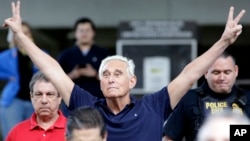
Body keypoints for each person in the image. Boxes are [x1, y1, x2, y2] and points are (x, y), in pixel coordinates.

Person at [3, 1, 245, 141]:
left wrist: (223, 42)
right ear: (99, 83)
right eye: (105, 75)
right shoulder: (88, 106)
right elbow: (53, 70)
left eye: (117, 74)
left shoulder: (154, 105)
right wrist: (22, 38)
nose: (110, 78)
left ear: (132, 80)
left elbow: (189, 74)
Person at [162, 51, 250, 141]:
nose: (222, 78)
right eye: (216, 72)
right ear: (206, 72)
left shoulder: (247, 98)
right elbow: (170, 138)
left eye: (227, 72)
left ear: (236, 71)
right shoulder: (190, 99)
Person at [0, 21, 38, 140]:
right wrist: (8, 76)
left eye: (26, 33)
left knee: (34, 136)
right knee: (13, 136)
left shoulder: (40, 54)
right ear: (14, 36)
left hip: (36, 102)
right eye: (19, 33)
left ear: (30, 35)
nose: (23, 35)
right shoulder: (6, 55)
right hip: (13, 100)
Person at [57, 17, 110, 99]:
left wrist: (95, 74)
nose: (84, 34)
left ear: (93, 32)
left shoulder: (103, 53)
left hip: (98, 100)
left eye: (87, 30)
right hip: (71, 99)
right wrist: (73, 75)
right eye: (81, 30)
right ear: (75, 33)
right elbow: (56, 79)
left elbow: (111, 79)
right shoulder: (66, 55)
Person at [5, 71, 67, 141]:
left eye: (50, 94)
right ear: (31, 97)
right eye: (38, 94)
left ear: (59, 97)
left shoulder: (73, 131)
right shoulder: (16, 133)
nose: (44, 100)